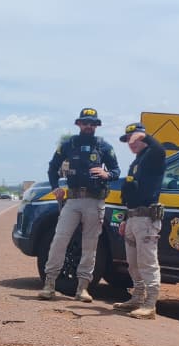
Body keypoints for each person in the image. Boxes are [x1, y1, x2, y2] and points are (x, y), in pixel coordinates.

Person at [38, 107, 120, 302]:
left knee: (90, 245)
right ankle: (49, 284)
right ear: (79, 124)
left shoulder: (104, 147)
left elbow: (116, 169)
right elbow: (52, 168)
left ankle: (82, 288)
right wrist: (55, 187)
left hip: (95, 200)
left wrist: (107, 174)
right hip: (73, 200)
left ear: (96, 126)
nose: (89, 126)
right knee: (59, 240)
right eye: (85, 123)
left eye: (92, 123)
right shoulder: (69, 144)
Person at [111, 123, 166, 319]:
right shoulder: (136, 162)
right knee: (132, 263)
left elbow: (160, 149)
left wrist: (145, 136)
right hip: (133, 217)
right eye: (128, 140)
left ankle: (150, 304)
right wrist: (126, 218)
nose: (131, 143)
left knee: (147, 262)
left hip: (146, 219)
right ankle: (137, 297)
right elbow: (131, 193)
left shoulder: (153, 156)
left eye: (134, 139)